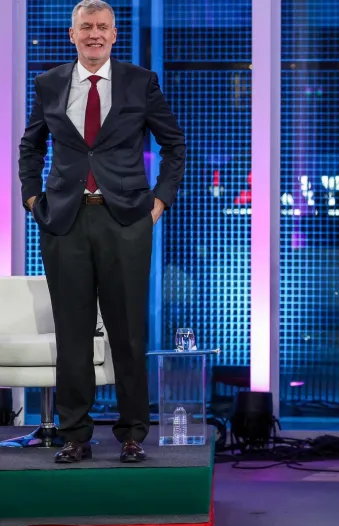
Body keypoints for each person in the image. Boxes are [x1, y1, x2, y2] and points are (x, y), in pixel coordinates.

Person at [19, 0, 186, 464]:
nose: (94, 34)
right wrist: (32, 199)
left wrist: (159, 203)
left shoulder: (140, 82)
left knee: (127, 334)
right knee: (72, 334)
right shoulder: (49, 83)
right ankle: (75, 435)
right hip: (64, 222)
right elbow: (30, 147)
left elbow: (174, 145)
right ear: (72, 35)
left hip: (126, 221)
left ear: (114, 35)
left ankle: (132, 434)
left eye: (102, 27)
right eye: (86, 27)